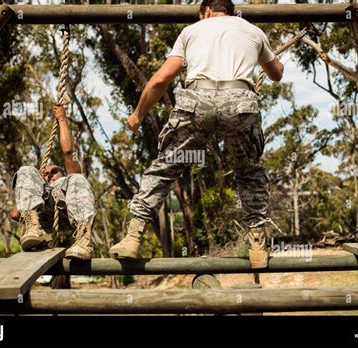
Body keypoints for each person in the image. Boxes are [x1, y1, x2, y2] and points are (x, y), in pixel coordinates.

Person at [109, 0, 284, 268]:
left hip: (196, 101)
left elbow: (159, 80)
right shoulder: (252, 30)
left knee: (165, 168)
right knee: (249, 173)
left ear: (208, 11)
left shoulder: (191, 31)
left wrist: (138, 115)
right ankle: (257, 247)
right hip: (240, 101)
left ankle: (132, 238)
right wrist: (262, 57)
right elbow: (277, 74)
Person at [11, 105, 96, 260]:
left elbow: (70, 153)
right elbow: (15, 214)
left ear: (63, 172)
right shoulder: (42, 189)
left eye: (54, 171)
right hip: (46, 218)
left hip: (68, 215)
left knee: (78, 178)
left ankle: (83, 239)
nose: (49, 174)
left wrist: (62, 119)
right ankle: (34, 231)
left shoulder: (69, 180)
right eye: (46, 173)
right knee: (25, 170)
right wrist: (34, 181)